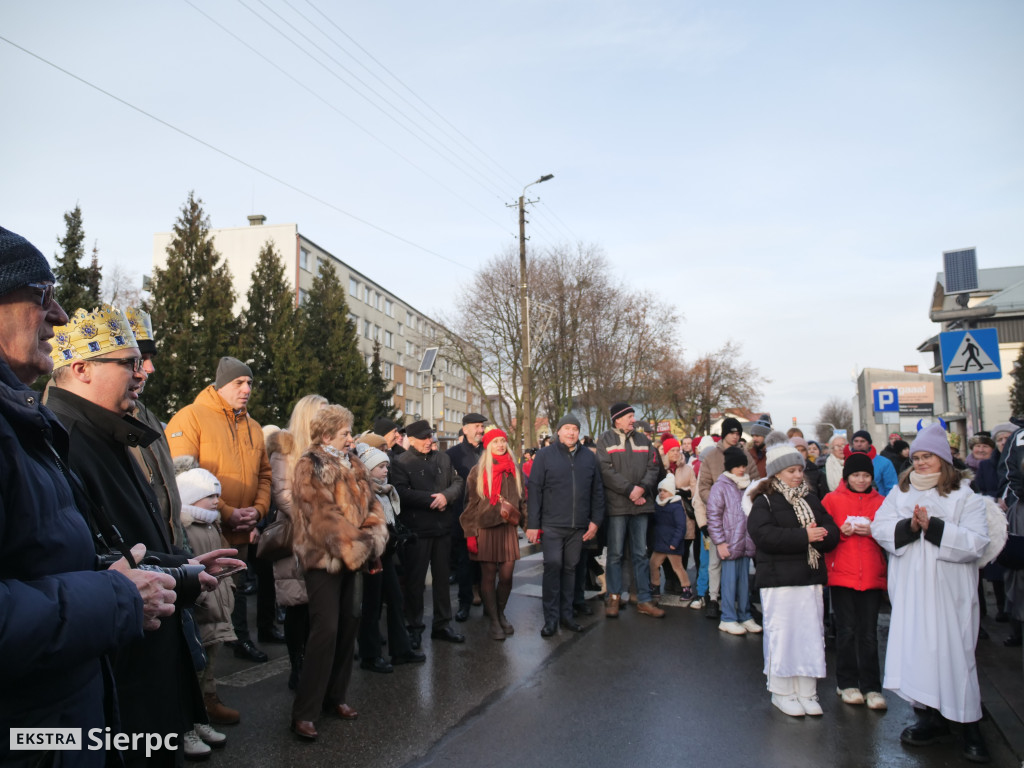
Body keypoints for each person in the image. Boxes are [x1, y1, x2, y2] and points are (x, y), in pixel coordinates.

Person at [0, 227, 175, 768]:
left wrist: (176, 576)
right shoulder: (52, 427)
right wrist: (120, 599)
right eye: (41, 293)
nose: (57, 314)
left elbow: (49, 557)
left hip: (56, 721)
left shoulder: (25, 420)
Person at [46, 305, 243, 766]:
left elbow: (127, 546)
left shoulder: (110, 430)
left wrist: (186, 569)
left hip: (145, 645)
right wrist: (180, 573)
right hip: (118, 666)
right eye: (131, 362)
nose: (144, 372)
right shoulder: (66, 438)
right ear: (81, 368)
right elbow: (92, 561)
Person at [871, 423, 993, 762]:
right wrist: (909, 527)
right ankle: (929, 717)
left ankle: (969, 723)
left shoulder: (963, 495)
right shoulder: (901, 492)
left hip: (948, 589)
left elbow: (977, 542)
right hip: (911, 587)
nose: (921, 462)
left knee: (954, 653)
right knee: (919, 650)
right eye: (918, 457)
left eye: (929, 457)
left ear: (944, 459)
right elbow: (880, 527)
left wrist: (934, 527)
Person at [166, 356, 274, 664]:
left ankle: (238, 640)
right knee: (210, 598)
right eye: (239, 383)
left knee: (235, 589)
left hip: (243, 528)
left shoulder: (253, 426)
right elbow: (184, 473)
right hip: (206, 530)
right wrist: (227, 511)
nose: (247, 389)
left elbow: (264, 474)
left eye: (250, 383)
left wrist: (258, 509)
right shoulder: (191, 417)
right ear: (221, 385)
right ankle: (205, 674)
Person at [289, 405, 388, 741]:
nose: (351, 437)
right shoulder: (310, 464)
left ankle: (336, 697)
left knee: (350, 624)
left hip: (354, 556)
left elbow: (372, 506)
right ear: (327, 434)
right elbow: (321, 517)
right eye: (345, 432)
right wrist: (357, 547)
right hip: (324, 559)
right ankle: (305, 711)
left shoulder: (355, 462)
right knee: (326, 630)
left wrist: (371, 542)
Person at [747, 431, 840, 718]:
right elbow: (763, 536)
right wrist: (804, 537)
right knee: (784, 637)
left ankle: (807, 691)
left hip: (809, 579)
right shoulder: (764, 501)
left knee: (810, 636)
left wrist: (822, 537)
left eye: (800, 469)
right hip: (779, 581)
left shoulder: (810, 498)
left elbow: (830, 529)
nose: (798, 475)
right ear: (777, 473)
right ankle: (782, 691)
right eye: (792, 470)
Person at [266, 393, 327, 690]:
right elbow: (282, 494)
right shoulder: (286, 446)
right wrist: (313, 520)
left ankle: (315, 665)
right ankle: (298, 666)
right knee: (297, 603)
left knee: (319, 603)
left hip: (324, 536)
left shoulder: (326, 449)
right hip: (295, 534)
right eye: (323, 412)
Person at [527, 415, 604, 637]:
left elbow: (597, 491)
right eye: (567, 428)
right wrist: (533, 524)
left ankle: (567, 615)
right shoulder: (544, 456)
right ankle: (550, 619)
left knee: (571, 569)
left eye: (575, 429)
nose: (571, 433)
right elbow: (535, 489)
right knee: (553, 566)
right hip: (552, 524)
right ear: (558, 432)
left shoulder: (589, 458)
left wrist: (595, 521)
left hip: (579, 526)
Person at [175, 465, 235, 754]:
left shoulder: (213, 524)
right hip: (201, 608)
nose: (215, 501)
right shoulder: (185, 528)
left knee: (209, 667)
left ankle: (201, 716)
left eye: (216, 495)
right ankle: (186, 725)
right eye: (208, 496)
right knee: (192, 671)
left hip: (217, 606)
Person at [821, 452, 888, 710]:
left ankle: (872, 686)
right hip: (841, 573)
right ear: (846, 476)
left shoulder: (882, 501)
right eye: (856, 475)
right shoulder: (831, 500)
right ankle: (847, 683)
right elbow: (823, 534)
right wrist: (840, 532)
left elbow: (890, 536)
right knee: (846, 631)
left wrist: (874, 531)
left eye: (866, 475)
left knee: (869, 633)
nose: (861, 480)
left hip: (871, 574)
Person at [392, 419, 466, 647]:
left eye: (430, 436)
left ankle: (442, 624)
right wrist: (433, 500)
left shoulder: (443, 457)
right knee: (415, 582)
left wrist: (447, 496)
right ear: (411, 439)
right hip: (417, 531)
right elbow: (401, 492)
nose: (428, 441)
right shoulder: (401, 462)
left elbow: (457, 481)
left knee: (442, 581)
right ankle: (414, 627)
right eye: (424, 438)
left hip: (442, 529)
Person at [355, 444, 425, 670]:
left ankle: (400, 649)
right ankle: (370, 655)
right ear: (368, 469)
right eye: (380, 467)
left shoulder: (385, 491)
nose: (386, 471)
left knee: (395, 599)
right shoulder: (363, 492)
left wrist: (398, 535)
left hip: (385, 554)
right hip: (372, 556)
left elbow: (390, 521)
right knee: (372, 606)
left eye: (386, 466)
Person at [597, 402, 664, 618]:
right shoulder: (605, 440)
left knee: (640, 554)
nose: (633, 420)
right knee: (615, 554)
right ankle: (614, 597)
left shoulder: (643, 440)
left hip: (641, 505)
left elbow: (654, 467)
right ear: (617, 419)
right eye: (629, 416)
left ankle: (644, 599)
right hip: (618, 506)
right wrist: (630, 490)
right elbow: (605, 471)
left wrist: (642, 489)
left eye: (633, 416)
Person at [460, 428, 526, 640]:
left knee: (506, 577)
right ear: (488, 446)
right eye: (495, 442)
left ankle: (500, 612)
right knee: (488, 576)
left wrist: (530, 526)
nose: (500, 445)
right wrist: (470, 534)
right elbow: (470, 505)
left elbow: (523, 502)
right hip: (485, 529)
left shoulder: (515, 470)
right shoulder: (477, 471)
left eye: (502, 441)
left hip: (507, 529)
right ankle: (495, 621)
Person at [697, 417, 760, 620]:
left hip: (741, 515)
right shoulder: (711, 457)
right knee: (716, 559)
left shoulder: (746, 457)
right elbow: (703, 486)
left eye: (738, 433)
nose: (736, 436)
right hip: (719, 516)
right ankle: (714, 598)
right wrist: (718, 501)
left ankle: (742, 604)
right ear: (724, 433)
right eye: (732, 432)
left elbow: (756, 482)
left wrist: (745, 501)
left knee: (742, 560)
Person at [707, 446, 759, 635]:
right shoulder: (720, 487)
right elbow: (713, 516)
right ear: (729, 467)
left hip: (745, 541)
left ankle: (745, 615)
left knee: (744, 581)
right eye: (738, 466)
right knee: (729, 582)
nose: (742, 469)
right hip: (729, 543)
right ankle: (728, 617)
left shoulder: (748, 486)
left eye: (743, 465)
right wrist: (720, 542)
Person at [447, 413, 488, 622]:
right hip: (462, 518)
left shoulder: (488, 452)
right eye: (476, 426)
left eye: (482, 426)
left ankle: (486, 598)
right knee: (464, 563)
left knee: (487, 561)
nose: (480, 430)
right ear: (465, 429)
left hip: (486, 517)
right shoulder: (452, 454)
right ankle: (464, 603)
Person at [649, 474, 695, 603]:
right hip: (660, 543)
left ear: (671, 492)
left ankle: (687, 588)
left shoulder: (676, 506)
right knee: (653, 564)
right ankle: (655, 586)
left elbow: (681, 527)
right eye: (660, 491)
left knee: (678, 567)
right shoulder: (658, 504)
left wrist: (675, 542)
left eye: (665, 491)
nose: (662, 493)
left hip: (671, 544)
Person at [846, 430, 898, 497]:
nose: (859, 444)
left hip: (878, 504)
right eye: (856, 441)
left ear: (869, 444)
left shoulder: (884, 463)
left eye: (862, 441)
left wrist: (887, 505)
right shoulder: (846, 461)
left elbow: (892, 488)